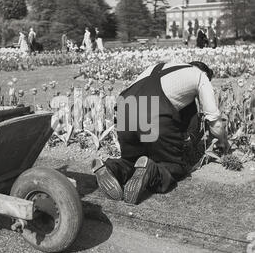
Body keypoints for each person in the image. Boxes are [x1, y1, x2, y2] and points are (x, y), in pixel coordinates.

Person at [92, 61, 229, 205]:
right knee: (173, 166)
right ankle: (151, 172)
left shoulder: (160, 67)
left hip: (125, 109)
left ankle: (112, 169)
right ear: (206, 73)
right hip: (153, 112)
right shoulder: (201, 76)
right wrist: (222, 142)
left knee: (131, 160)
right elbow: (214, 121)